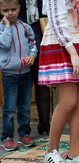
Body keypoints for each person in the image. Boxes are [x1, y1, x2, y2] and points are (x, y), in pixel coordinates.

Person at [38, 0, 79, 163]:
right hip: (63, 40)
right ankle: (51, 150)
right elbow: (55, 19)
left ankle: (75, 153)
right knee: (69, 101)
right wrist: (72, 53)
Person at [0, 0, 37, 151]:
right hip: (9, 75)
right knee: (9, 108)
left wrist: (32, 56)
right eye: (5, 10)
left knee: (24, 106)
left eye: (13, 9)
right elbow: (6, 44)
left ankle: (24, 135)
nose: (10, 13)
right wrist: (7, 27)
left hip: (26, 74)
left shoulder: (26, 27)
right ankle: (7, 138)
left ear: (19, 8)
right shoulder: (2, 28)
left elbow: (33, 45)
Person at [18, 0, 51, 136]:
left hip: (42, 36)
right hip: (21, 38)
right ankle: (24, 129)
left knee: (41, 83)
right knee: (22, 85)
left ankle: (44, 124)